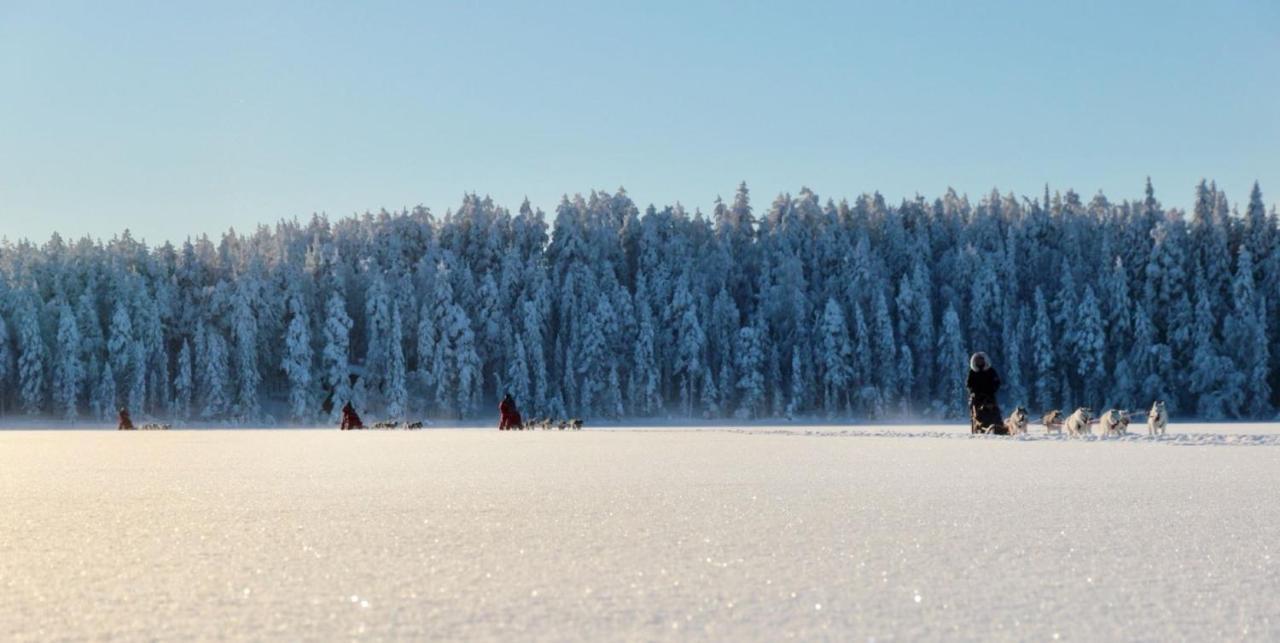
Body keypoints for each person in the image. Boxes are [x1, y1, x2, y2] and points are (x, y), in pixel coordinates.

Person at [966, 351, 1005, 434]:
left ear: (985, 360)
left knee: (994, 411)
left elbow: (997, 382)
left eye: (981, 360)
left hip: (990, 395)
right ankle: (979, 427)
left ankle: (999, 427)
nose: (979, 362)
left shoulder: (990, 371)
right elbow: (969, 384)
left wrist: (992, 390)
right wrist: (973, 392)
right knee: (978, 414)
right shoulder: (972, 372)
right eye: (977, 360)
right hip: (977, 397)